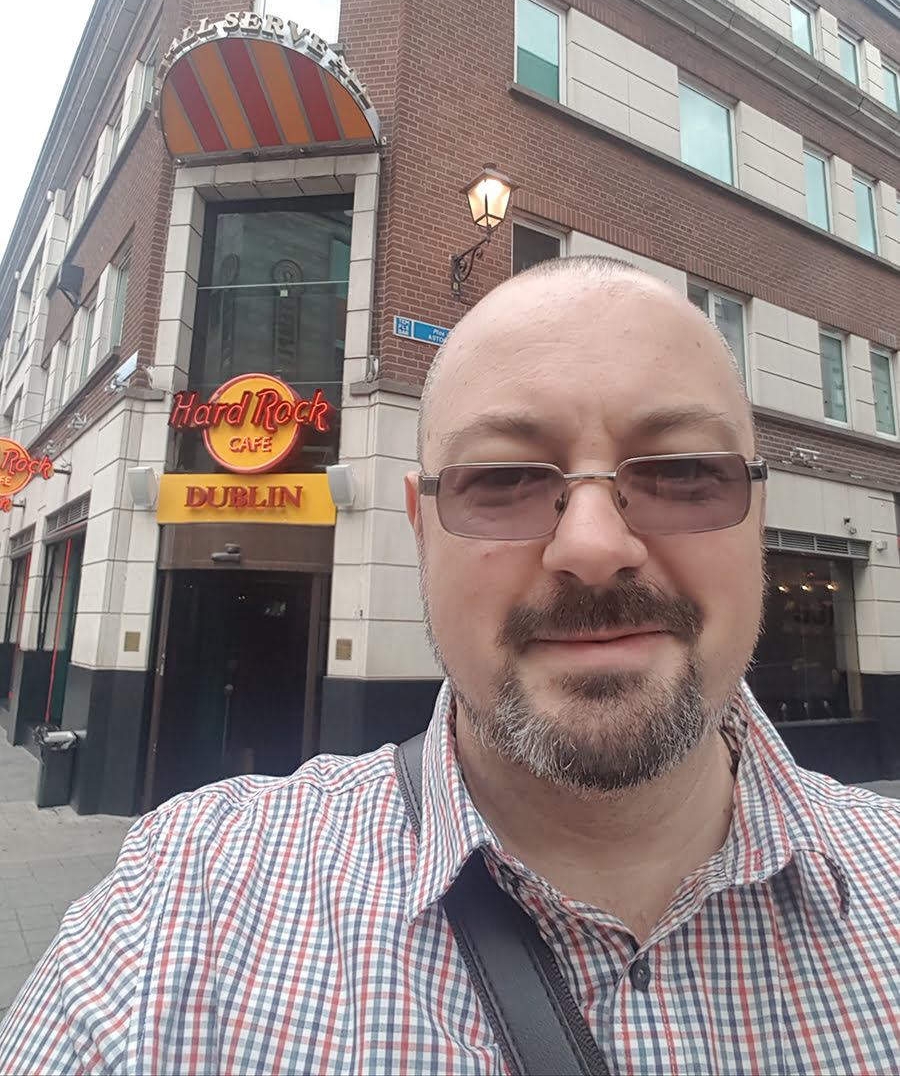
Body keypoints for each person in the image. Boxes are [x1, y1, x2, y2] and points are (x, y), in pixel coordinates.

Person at [2, 256, 900, 1074]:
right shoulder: (178, 914)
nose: (594, 547)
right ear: (420, 528)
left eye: (682, 471)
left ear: (756, 515)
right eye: (504, 480)